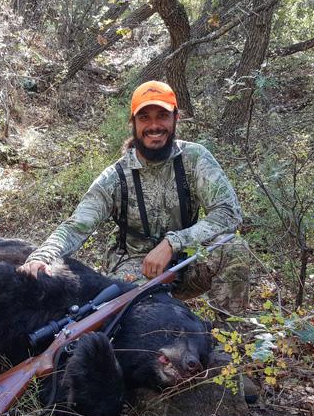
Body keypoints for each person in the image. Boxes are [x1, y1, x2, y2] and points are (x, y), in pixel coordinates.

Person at [18, 81, 249, 311]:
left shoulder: (195, 158)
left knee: (233, 247)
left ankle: (225, 339)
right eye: (145, 117)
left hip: (186, 260)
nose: (154, 125)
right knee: (134, 320)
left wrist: (173, 243)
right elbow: (76, 225)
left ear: (175, 119)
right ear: (133, 122)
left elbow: (229, 213)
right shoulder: (115, 176)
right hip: (134, 267)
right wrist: (42, 257)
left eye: (162, 116)